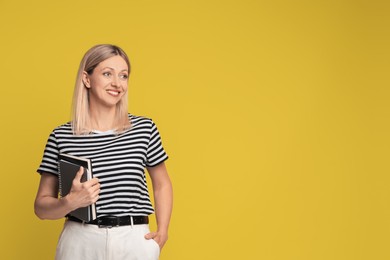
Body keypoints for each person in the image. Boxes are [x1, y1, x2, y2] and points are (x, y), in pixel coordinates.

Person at [34, 44, 173, 260]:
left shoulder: (145, 129)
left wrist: (162, 230)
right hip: (80, 240)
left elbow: (162, 183)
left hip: (134, 239)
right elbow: (41, 207)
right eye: (107, 74)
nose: (117, 83)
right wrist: (70, 202)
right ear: (87, 79)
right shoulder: (61, 136)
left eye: (124, 76)